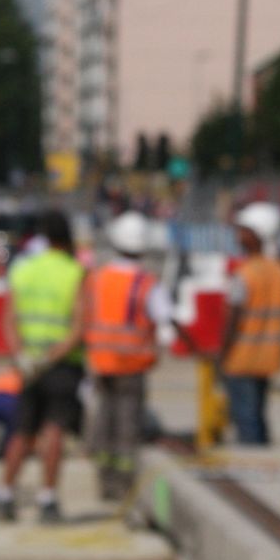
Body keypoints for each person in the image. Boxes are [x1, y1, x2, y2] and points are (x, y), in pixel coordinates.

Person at [0, 211, 86, 524]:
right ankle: (47, 499)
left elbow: (8, 319)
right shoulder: (74, 272)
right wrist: (51, 357)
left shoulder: (24, 269)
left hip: (29, 365)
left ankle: (5, 493)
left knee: (22, 429)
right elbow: (79, 326)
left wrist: (22, 357)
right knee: (54, 430)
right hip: (61, 365)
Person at [82, 210, 168, 501]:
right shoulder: (146, 282)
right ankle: (123, 485)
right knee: (127, 425)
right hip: (133, 364)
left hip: (101, 362)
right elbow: (163, 315)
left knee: (104, 419)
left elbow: (85, 316)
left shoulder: (98, 278)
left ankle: (104, 482)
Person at [217, 202, 280, 446]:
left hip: (242, 357)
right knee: (258, 416)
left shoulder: (245, 274)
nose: (238, 236)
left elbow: (233, 319)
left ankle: (254, 459)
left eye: (244, 231)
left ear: (258, 235)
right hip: (268, 356)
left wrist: (222, 354)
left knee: (245, 418)